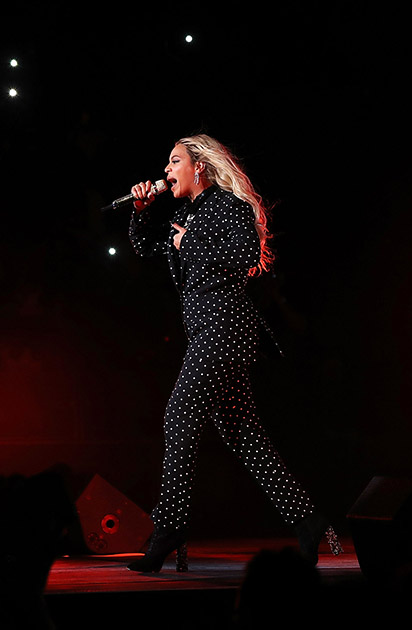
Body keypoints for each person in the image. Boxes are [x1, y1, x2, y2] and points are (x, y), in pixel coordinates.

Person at [125, 134, 341, 572]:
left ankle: (169, 527)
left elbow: (244, 255)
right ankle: (308, 520)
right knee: (243, 433)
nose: (166, 171)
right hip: (206, 332)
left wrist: (191, 244)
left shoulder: (230, 206)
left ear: (199, 166)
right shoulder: (185, 215)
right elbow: (146, 247)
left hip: (226, 328)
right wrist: (141, 212)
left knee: (180, 414)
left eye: (174, 162)